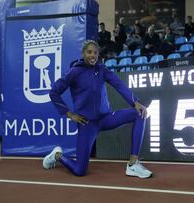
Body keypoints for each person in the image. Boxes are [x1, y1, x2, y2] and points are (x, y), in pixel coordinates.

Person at [43, 40, 152, 179]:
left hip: (106, 119)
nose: (92, 55)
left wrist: (135, 102)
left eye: (95, 52)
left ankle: (133, 164)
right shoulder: (74, 72)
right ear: (83, 53)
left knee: (139, 113)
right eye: (89, 52)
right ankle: (57, 155)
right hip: (87, 124)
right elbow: (54, 92)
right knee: (79, 171)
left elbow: (119, 84)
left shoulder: (102, 70)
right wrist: (69, 114)